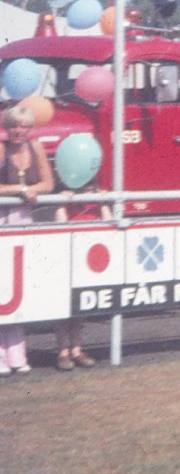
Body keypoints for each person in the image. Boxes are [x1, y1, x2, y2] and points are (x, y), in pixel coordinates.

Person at [1, 105, 53, 376]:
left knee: (19, 288)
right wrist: (19, 190)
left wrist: (30, 190)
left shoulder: (36, 148)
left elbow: (48, 184)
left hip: (24, 220)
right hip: (1, 218)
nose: (18, 131)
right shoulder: (1, 148)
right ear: (7, 128)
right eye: (14, 126)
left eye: (23, 126)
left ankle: (18, 354)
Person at [53, 179, 113, 369]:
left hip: (90, 258)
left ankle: (77, 349)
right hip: (70, 254)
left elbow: (109, 224)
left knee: (80, 307)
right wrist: (63, 202)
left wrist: (103, 202)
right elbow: (59, 224)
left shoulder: (98, 198)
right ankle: (63, 351)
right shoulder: (66, 199)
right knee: (64, 307)